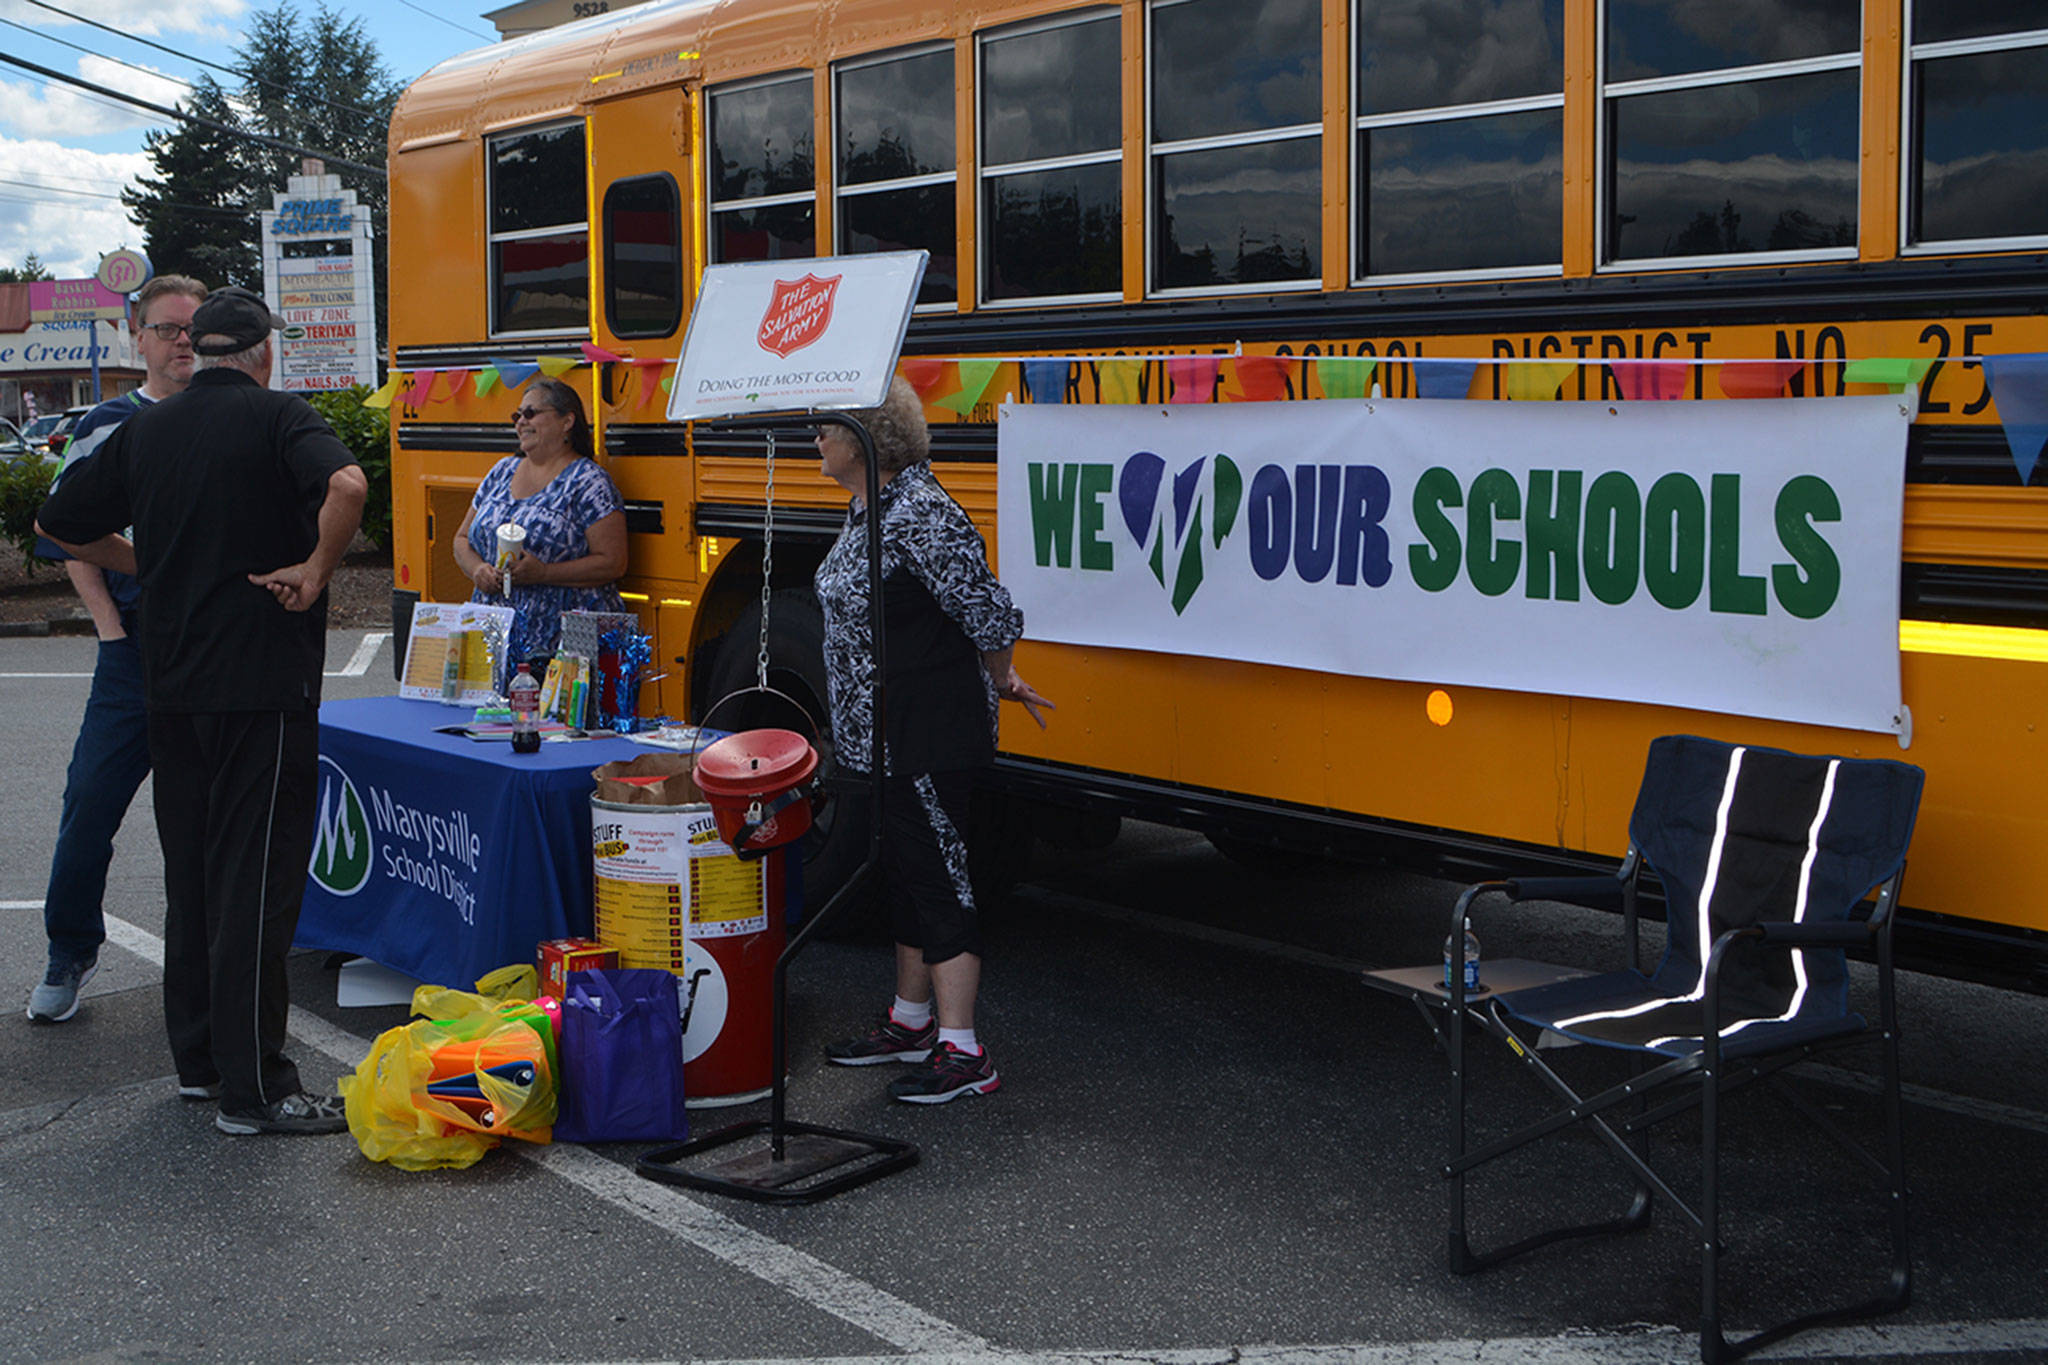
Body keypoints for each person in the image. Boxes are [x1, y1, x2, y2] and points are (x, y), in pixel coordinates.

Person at [36, 285, 368, 1136]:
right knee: (254, 882)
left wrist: (142, 560)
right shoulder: (277, 415)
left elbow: (61, 521)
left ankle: (200, 1064)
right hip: (261, 682)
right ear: (261, 354)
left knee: (191, 877)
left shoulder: (150, 425)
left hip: (171, 682)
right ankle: (256, 1088)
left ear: (202, 349)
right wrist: (316, 568)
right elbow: (346, 482)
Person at [814, 376, 1052, 1105]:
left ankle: (964, 1048)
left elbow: (987, 609)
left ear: (867, 439)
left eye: (828, 427)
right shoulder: (870, 508)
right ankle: (911, 1021)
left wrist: (1001, 677)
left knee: (939, 877)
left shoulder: (918, 509)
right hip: (876, 733)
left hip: (924, 727)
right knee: (905, 871)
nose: (816, 439)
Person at [26, 273, 208, 1025]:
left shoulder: (222, 419)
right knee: (89, 810)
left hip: (208, 654)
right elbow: (62, 531)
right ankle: (68, 953)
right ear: (137, 337)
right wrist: (108, 619)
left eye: (194, 329)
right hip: (131, 654)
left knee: (204, 825)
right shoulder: (107, 421)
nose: (182, 342)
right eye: (167, 329)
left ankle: (213, 971)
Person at [450, 377, 628, 667]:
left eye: (531, 413)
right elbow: (461, 540)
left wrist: (544, 572)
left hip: (564, 649)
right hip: (495, 637)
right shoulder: (502, 471)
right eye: (517, 415)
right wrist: (478, 570)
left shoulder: (588, 481)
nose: (521, 422)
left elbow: (613, 562)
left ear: (566, 421)